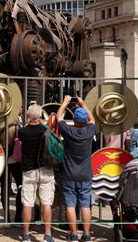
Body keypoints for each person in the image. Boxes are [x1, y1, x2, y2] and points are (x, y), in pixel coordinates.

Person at [56, 96, 96, 242]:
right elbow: (93, 119)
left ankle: (73, 235)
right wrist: (83, 103)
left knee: (70, 205)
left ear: (75, 120)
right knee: (85, 205)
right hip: (85, 174)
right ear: (84, 120)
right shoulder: (90, 131)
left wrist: (65, 102)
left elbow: (59, 117)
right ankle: (86, 235)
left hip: (68, 173)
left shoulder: (68, 131)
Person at [18, 104, 55, 242]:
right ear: (40, 116)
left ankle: (26, 234)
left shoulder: (22, 132)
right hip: (45, 168)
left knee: (28, 203)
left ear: (28, 116)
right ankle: (48, 234)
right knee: (46, 202)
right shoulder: (46, 130)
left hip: (29, 170)